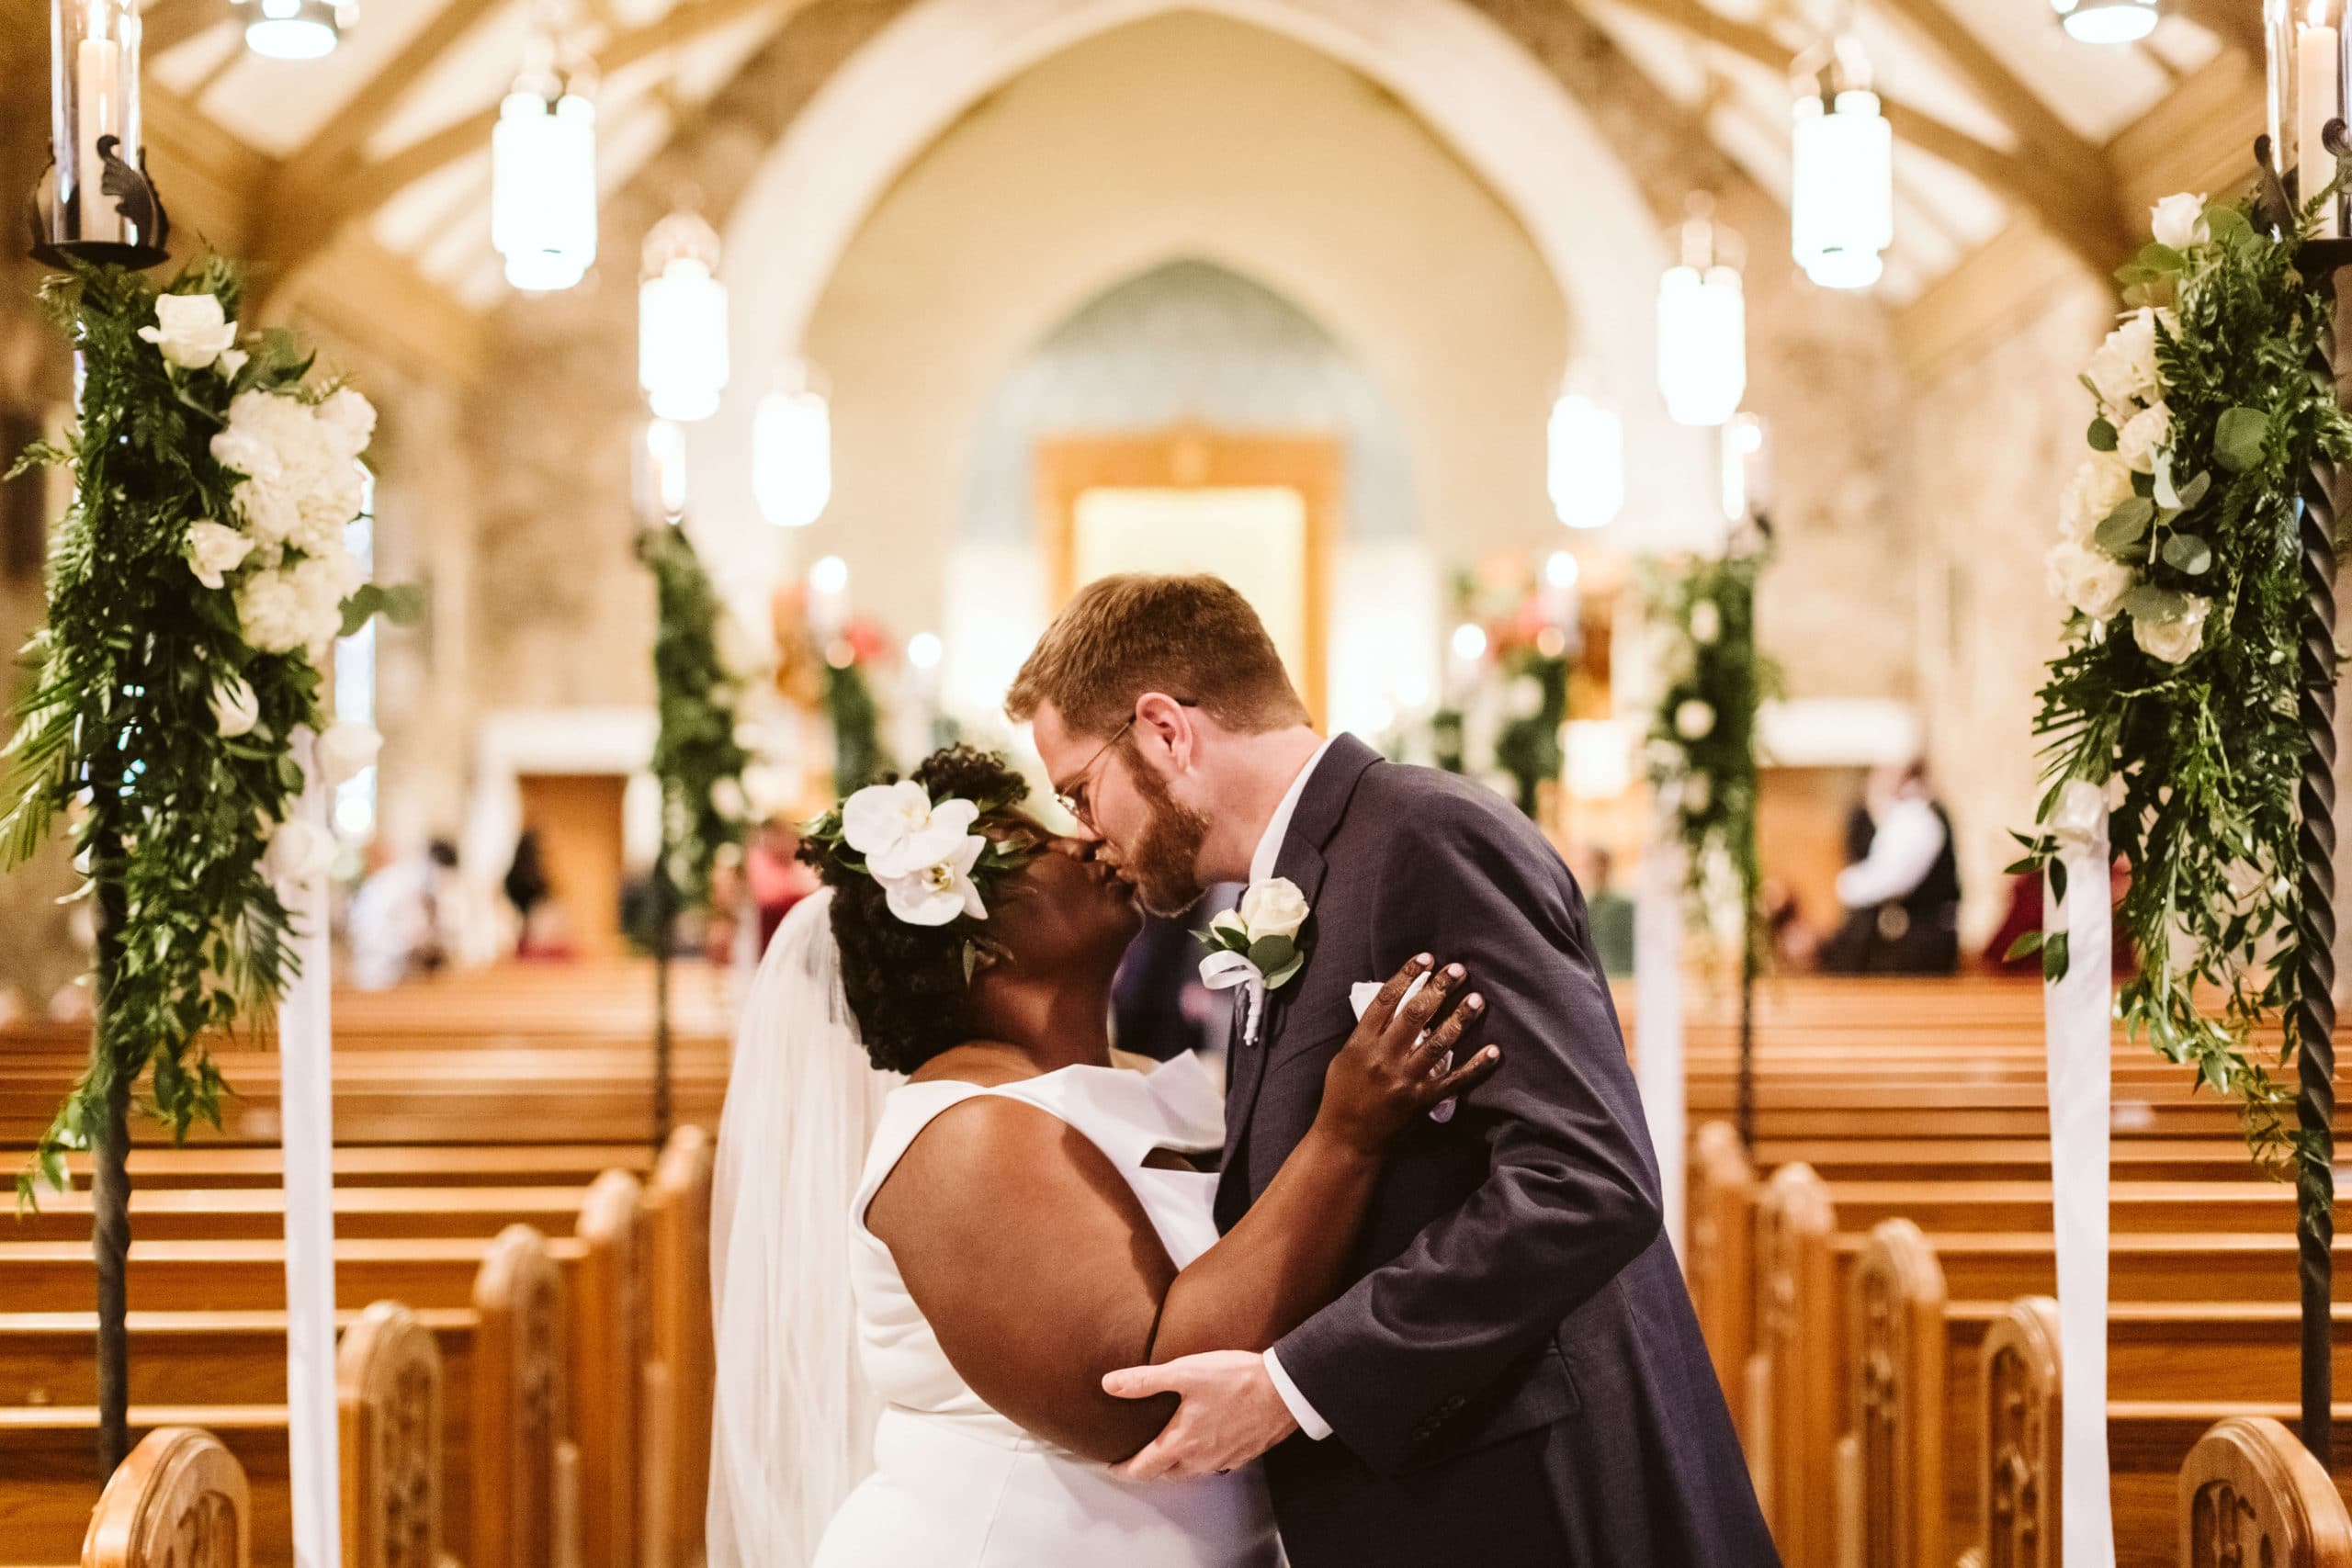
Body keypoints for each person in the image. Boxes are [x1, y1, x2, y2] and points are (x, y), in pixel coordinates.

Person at [1009, 575, 1773, 1566]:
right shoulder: (1302, 877)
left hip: (1540, 1500)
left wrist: (1294, 1387)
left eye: (1078, 789)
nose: (1083, 829)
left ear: (1164, 731)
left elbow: (1585, 1179)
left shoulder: (1425, 837)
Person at [707, 746, 1498, 1567]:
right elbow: (1147, 1398)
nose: (1084, 839)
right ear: (968, 933)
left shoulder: (1135, 1085)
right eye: (1033, 836)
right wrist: (1346, 1135)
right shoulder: (963, 1134)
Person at [1817, 759, 1962, 976]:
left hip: (1921, 943)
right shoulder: (1898, 815)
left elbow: (1891, 880)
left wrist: (1848, 884)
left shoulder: (1916, 816)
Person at [347, 838, 462, 990]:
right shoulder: (400, 882)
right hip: (381, 967)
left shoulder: (404, 879)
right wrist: (412, 942)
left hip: (393, 964)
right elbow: (373, 928)